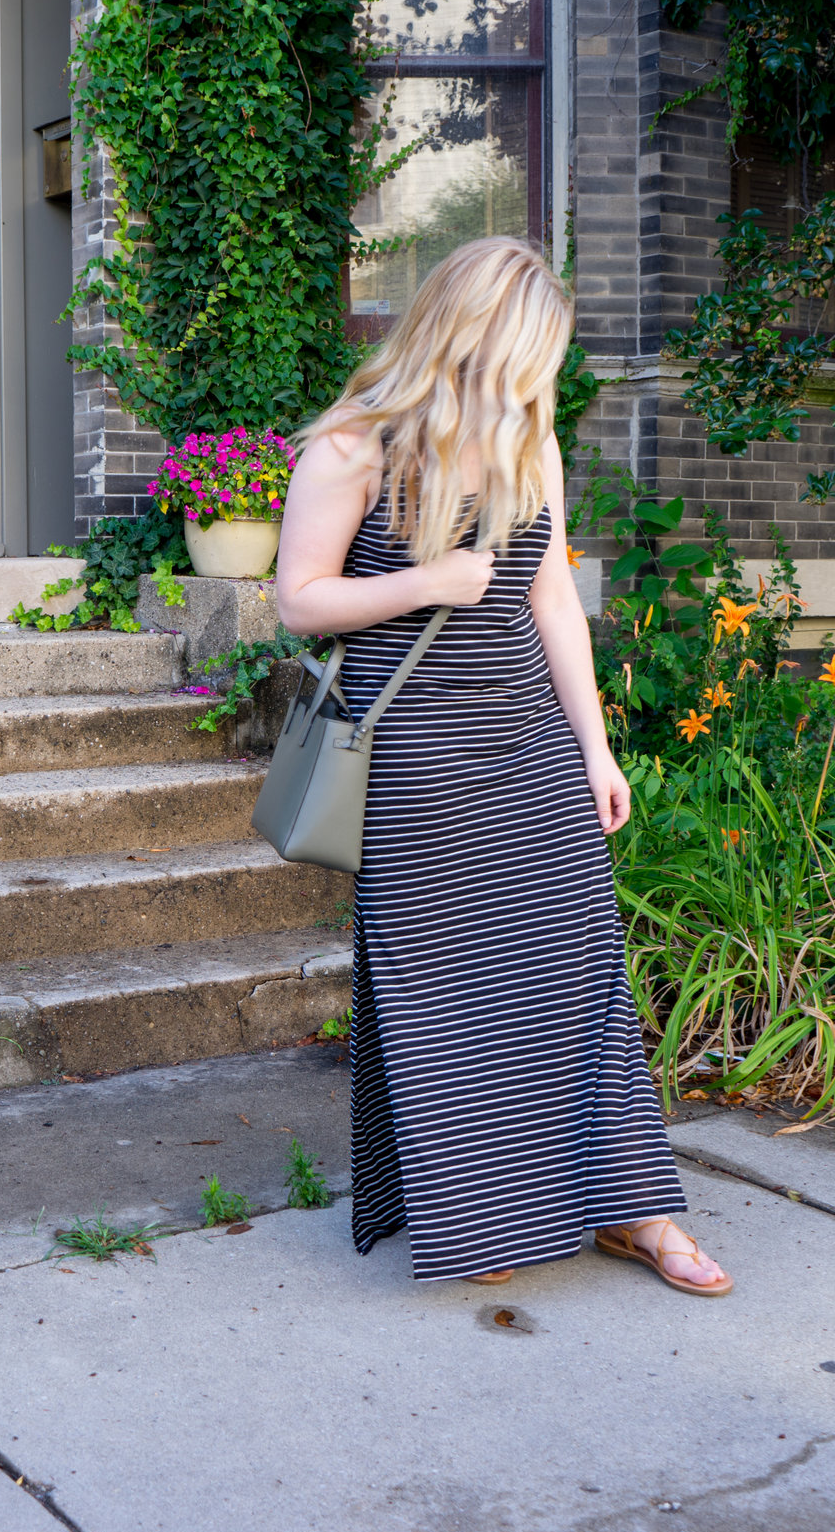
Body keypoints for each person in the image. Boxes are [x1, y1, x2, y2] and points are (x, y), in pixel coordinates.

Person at [272, 237, 730, 1294]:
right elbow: (299, 598)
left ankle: (637, 1207)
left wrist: (596, 746)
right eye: (533, 354)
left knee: (578, 976)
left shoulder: (531, 441)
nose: (543, 378)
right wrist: (431, 575)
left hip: (528, 744)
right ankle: (485, 1217)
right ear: (473, 337)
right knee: (451, 994)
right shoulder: (353, 445)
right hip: (417, 760)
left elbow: (551, 599)